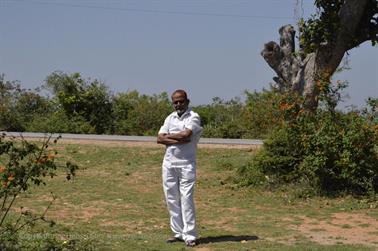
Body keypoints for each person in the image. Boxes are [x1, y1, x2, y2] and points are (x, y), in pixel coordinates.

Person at [157, 89, 202, 247]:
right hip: (169, 163)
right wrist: (179, 138)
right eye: (175, 102)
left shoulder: (193, 117)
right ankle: (178, 232)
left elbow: (187, 135)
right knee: (171, 199)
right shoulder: (170, 118)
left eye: (181, 101)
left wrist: (171, 137)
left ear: (187, 101)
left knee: (186, 199)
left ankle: (190, 235)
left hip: (186, 164)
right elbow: (159, 139)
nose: (178, 104)